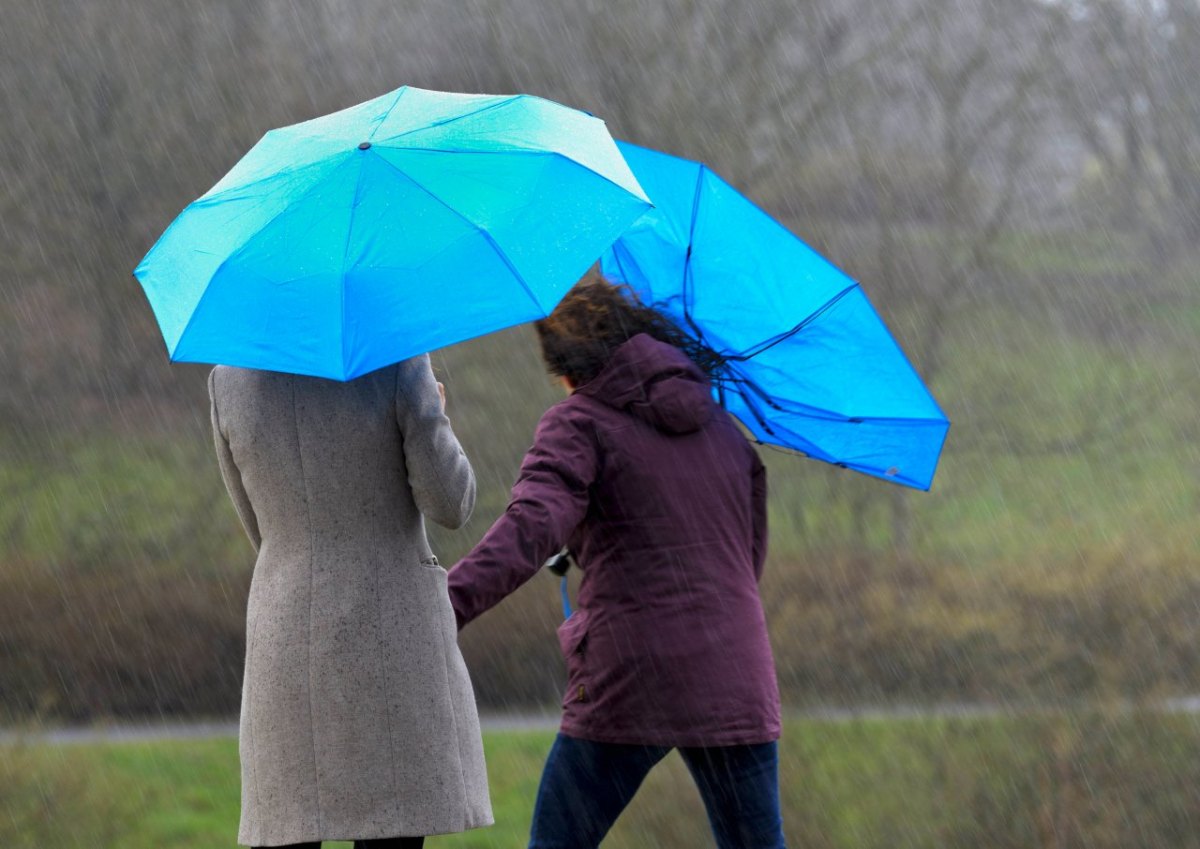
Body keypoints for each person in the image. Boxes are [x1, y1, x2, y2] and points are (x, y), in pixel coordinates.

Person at [447, 277, 786, 849]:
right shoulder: (726, 431)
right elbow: (741, 559)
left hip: (635, 672)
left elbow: (531, 526)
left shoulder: (578, 423)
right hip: (736, 670)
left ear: (570, 368)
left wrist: (442, 606)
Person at [209, 357, 492, 848]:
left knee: (288, 825)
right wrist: (434, 413)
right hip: (390, 638)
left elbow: (257, 524)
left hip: (286, 631)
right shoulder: (396, 360)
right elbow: (451, 503)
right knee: (391, 825)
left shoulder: (230, 380)